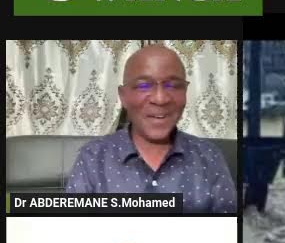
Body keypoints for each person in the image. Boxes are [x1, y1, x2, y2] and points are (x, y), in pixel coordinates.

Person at [65, 44, 237, 214]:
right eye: (143, 86)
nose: (160, 99)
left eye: (173, 85)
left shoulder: (209, 157)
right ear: (123, 97)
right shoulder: (93, 158)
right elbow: (73, 234)